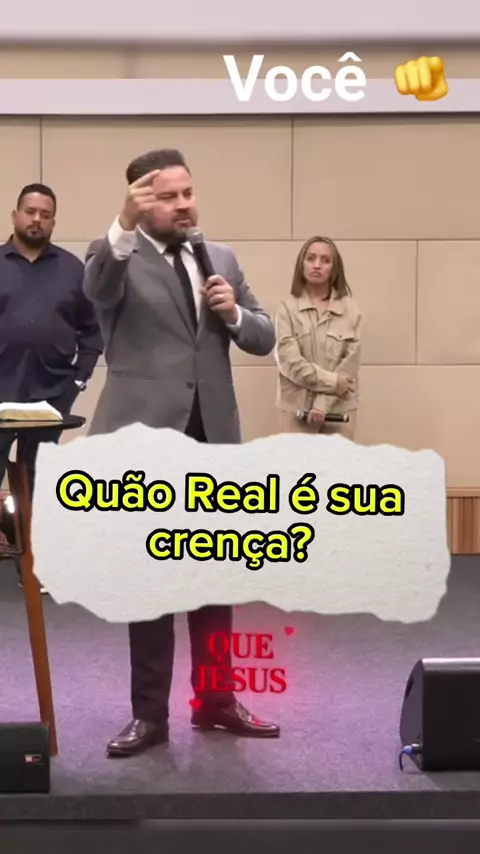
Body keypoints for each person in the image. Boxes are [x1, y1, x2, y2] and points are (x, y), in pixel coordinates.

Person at [83, 148, 280, 757]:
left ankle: (215, 701)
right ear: (142, 203)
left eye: (187, 193)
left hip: (212, 439)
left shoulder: (220, 257)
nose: (184, 205)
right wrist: (122, 222)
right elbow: (97, 288)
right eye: (168, 197)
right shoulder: (115, 254)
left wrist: (235, 312)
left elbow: (264, 334)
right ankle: (149, 716)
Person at [0, 184, 103, 586]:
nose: (36, 219)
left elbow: (92, 330)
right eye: (30, 211)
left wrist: (78, 378)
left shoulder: (72, 270)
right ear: (15, 216)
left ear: (53, 222)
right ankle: (14, 537)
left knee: (36, 479)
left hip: (51, 393)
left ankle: (33, 564)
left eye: (45, 214)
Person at [275, 236, 362, 440]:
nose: (317, 265)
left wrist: (322, 404)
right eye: (311, 258)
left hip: (339, 413)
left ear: (334, 268)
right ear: (301, 264)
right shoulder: (286, 309)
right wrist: (332, 382)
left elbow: (349, 364)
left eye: (325, 260)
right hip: (297, 413)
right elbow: (289, 363)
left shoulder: (350, 311)